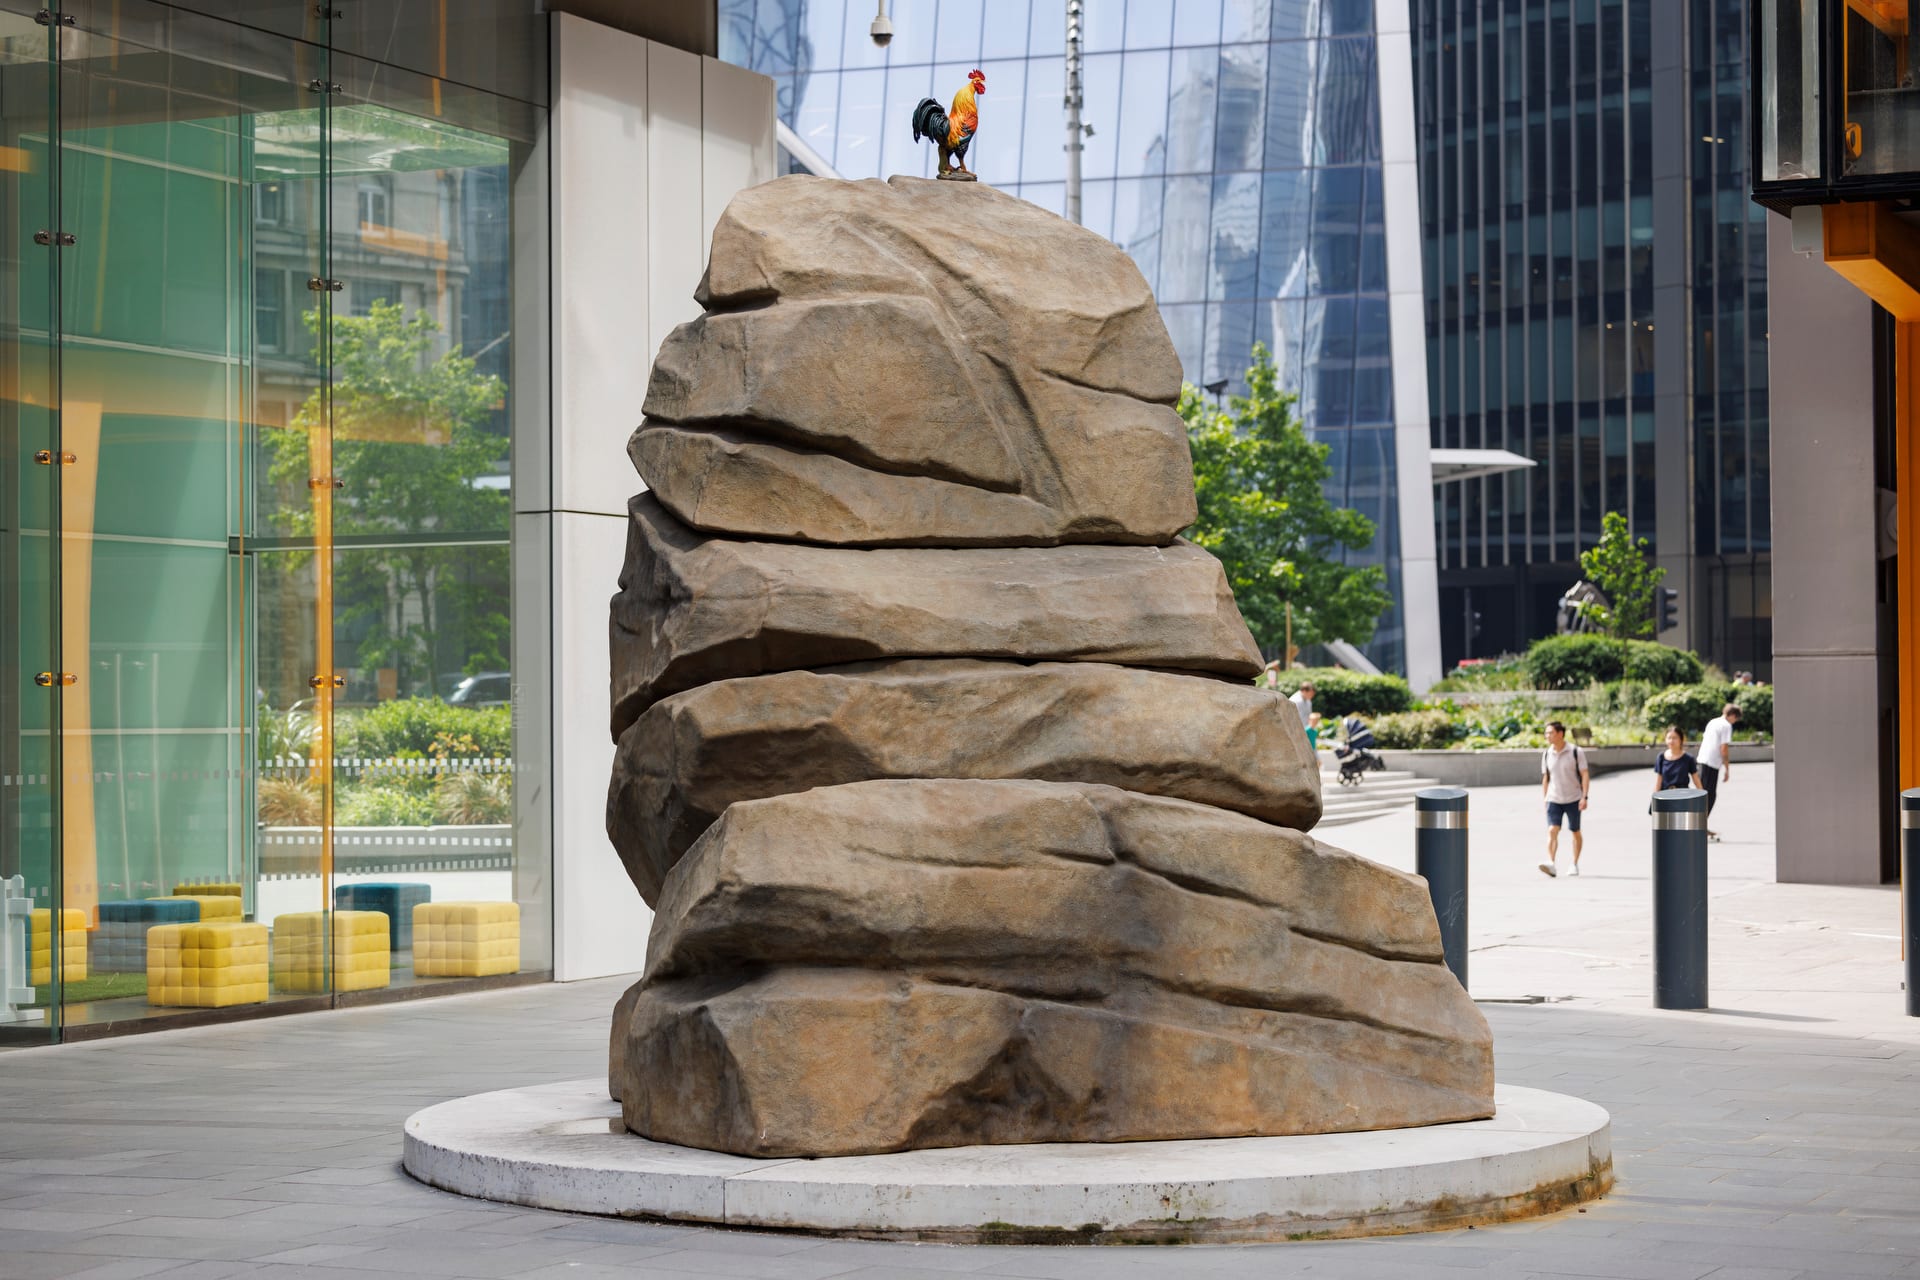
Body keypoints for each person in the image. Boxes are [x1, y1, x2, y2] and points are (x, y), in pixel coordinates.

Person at [1540, 720, 1590, 878]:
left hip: (1573, 798)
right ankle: (1551, 863)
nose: (1547, 736)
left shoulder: (1576, 751)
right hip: (1554, 798)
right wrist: (1545, 798)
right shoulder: (1547, 753)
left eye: (1550, 733)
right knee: (1552, 830)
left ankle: (1574, 863)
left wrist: (1584, 797)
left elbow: (1584, 774)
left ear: (1560, 734)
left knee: (1575, 831)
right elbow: (1546, 777)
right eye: (1546, 733)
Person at [1697, 703, 1741, 841]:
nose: (1735, 721)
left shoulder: (1713, 721)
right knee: (1709, 796)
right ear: (1732, 715)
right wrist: (1727, 768)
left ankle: (1700, 825)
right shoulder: (1726, 726)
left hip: (1702, 760)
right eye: (1736, 719)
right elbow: (1724, 749)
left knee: (1703, 794)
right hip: (1711, 764)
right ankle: (1699, 827)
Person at [1651, 724, 1701, 797]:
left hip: (1682, 797)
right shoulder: (1661, 757)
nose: (1671, 741)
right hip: (1665, 796)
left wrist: (1702, 799)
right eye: (1669, 738)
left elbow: (1696, 780)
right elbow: (1658, 781)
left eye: (1675, 738)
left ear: (1681, 739)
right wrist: (1654, 798)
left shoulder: (1688, 758)